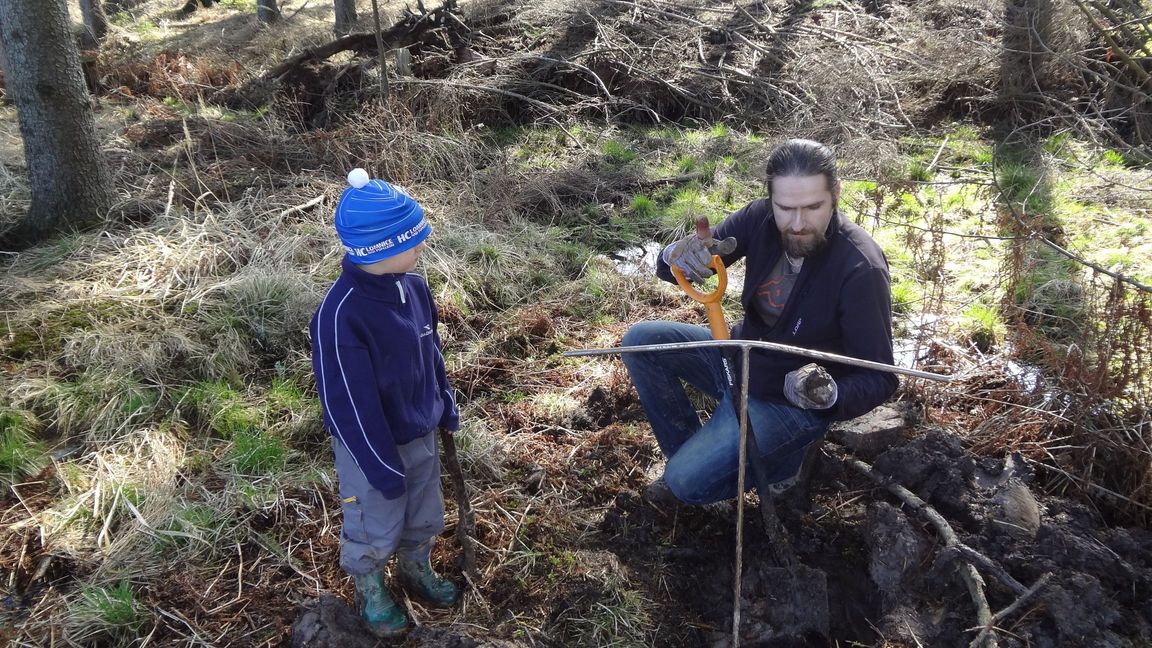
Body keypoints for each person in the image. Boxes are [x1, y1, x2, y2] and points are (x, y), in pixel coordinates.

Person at [622, 139, 898, 506]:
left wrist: (828, 396)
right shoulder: (760, 218)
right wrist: (677, 256)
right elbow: (685, 264)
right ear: (771, 199)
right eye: (785, 208)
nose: (798, 224)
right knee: (642, 341)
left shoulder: (860, 267)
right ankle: (696, 464)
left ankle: (781, 464)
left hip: (787, 402)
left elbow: (880, 376)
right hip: (736, 360)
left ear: (835, 194)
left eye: (813, 207)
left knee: (684, 484)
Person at [310, 168, 460, 637]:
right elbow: (346, 404)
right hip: (370, 448)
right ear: (383, 247)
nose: (422, 247)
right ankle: (371, 587)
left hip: (418, 430)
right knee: (373, 520)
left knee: (423, 511)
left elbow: (428, 347)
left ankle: (416, 568)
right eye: (414, 241)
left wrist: (444, 401)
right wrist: (378, 463)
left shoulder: (413, 288)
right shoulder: (341, 315)